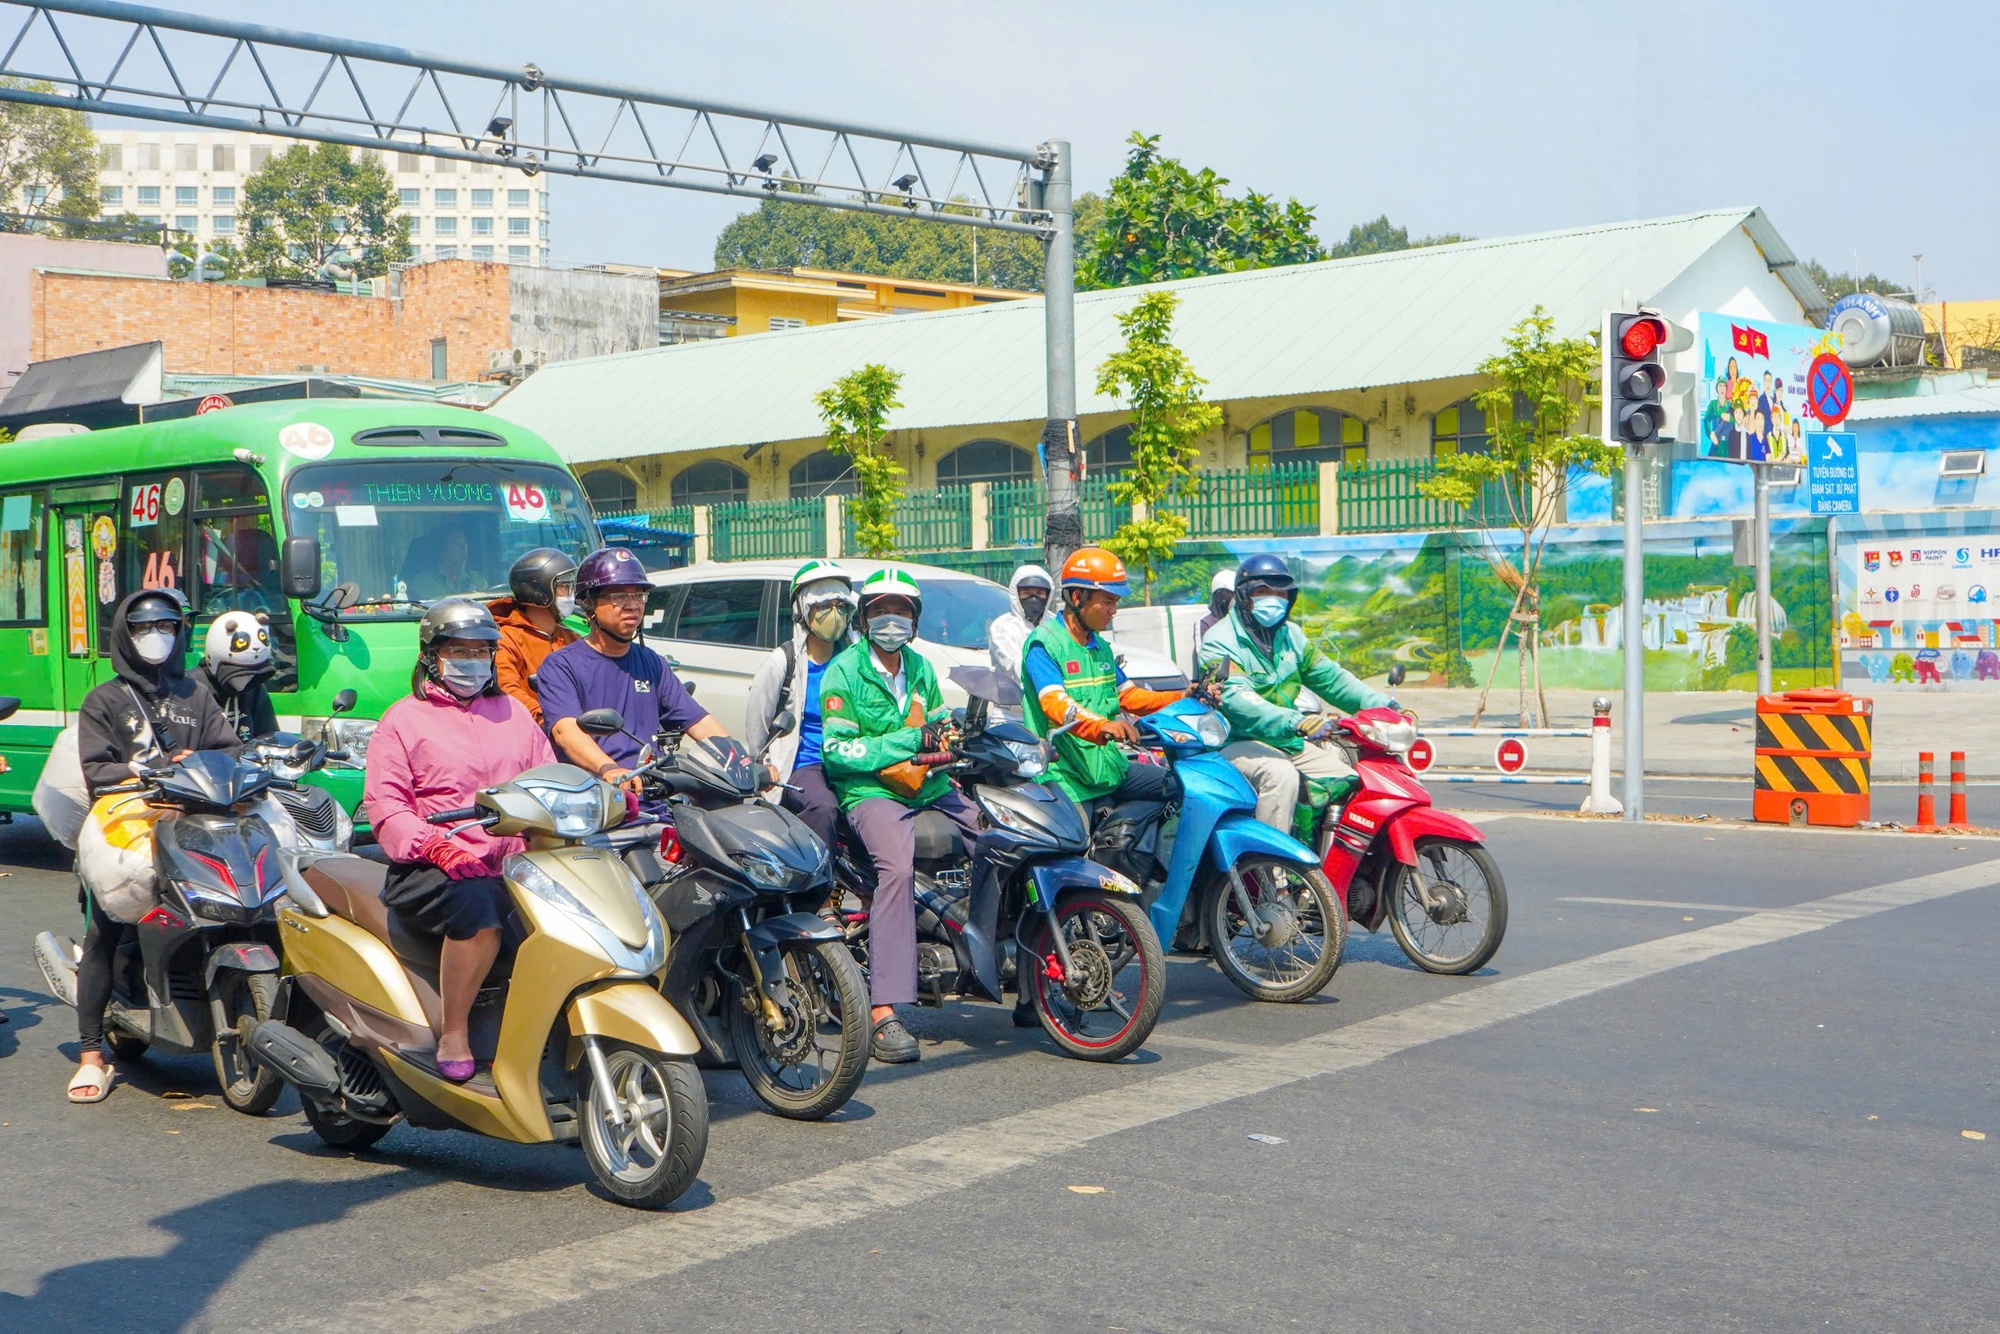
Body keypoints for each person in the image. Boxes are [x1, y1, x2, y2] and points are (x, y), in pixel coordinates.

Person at [364, 599, 556, 1082]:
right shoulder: (402, 720)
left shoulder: (514, 713)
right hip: (432, 867)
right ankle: (454, 1030)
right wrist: (436, 846)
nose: (472, 661)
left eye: (481, 651)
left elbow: (547, 781)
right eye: (459, 650)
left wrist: (603, 800)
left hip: (513, 862)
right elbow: (387, 807)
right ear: (432, 655)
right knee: (481, 902)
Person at [69, 589, 240, 1103]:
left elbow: (229, 750)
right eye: (145, 629)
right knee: (103, 932)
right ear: (126, 634)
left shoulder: (196, 693)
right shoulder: (104, 700)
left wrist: (203, 763)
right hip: (127, 826)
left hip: (192, 822)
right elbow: (96, 769)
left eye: (166, 626)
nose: (156, 637)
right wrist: (143, 769)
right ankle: (92, 1054)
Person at [819, 567, 980, 1065]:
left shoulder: (922, 667)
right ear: (865, 617)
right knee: (897, 869)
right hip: (870, 791)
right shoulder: (843, 671)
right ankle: (883, 1009)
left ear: (915, 619)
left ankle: (1011, 965)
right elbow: (838, 750)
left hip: (927, 784)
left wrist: (949, 739)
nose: (893, 619)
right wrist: (912, 739)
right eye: (882, 609)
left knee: (994, 836)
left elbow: (935, 724)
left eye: (903, 610)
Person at [1197, 553, 1389, 837]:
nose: (1273, 599)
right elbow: (1236, 700)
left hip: (1285, 740)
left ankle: (1322, 862)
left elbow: (1332, 679)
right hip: (1234, 741)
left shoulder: (1293, 637)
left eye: (1280, 593)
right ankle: (1269, 874)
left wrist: (1384, 706)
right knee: (1281, 776)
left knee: (1347, 780)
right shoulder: (1219, 640)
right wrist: (1295, 721)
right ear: (1244, 595)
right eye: (1263, 591)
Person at [538, 547, 723, 789]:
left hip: (653, 793)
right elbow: (566, 731)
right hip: (596, 801)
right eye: (619, 596)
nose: (632, 605)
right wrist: (609, 769)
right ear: (589, 604)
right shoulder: (560, 666)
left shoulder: (652, 662)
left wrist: (741, 762)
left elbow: (699, 722)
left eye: (638, 596)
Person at [1022, 547, 1190, 812]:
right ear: (1078, 598)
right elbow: (1055, 703)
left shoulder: (1100, 647)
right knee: (1078, 845)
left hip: (1109, 767)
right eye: (1108, 601)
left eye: (1116, 603)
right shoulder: (1044, 644)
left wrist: (1183, 697)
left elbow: (1129, 696)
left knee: (1184, 788)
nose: (1114, 611)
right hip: (1066, 776)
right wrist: (1102, 726)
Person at [745, 559, 857, 853]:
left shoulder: (857, 661)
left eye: (840, 606)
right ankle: (818, 890)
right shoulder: (783, 662)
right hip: (804, 764)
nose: (834, 614)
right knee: (823, 808)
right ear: (803, 611)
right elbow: (757, 725)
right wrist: (764, 767)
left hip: (853, 760)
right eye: (823, 606)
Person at [487, 547, 580, 725]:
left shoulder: (571, 637)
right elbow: (507, 689)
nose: (571, 594)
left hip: (577, 730)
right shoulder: (506, 639)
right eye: (564, 587)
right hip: (532, 731)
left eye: (572, 587)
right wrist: (544, 719)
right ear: (541, 592)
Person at [199, 610, 279, 744]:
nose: (246, 680)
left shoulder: (255, 688)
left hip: (246, 763)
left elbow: (269, 737)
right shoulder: (193, 688)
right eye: (238, 672)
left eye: (252, 673)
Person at [986, 564, 1053, 679]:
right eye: (1026, 593)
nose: (1033, 599)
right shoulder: (1002, 627)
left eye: (1039, 593)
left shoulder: (1053, 624)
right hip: (1013, 695)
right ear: (1016, 595)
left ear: (1048, 596)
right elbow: (1013, 666)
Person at [406, 524, 488, 601]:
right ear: (441, 550)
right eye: (457, 543)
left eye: (464, 543)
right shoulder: (423, 583)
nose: (463, 548)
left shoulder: (477, 580)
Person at [1195, 567, 1235, 646]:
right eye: (1232, 594)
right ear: (1220, 596)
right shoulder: (1205, 622)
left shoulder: (1239, 618)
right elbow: (1202, 653)